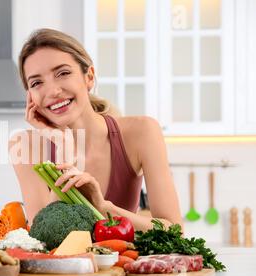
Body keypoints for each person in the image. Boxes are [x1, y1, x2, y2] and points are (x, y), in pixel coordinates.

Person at [9, 28, 183, 232]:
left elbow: (174, 231)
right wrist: (66, 153)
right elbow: (44, 237)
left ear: (89, 77)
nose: (53, 91)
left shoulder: (142, 132)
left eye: (63, 73)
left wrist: (103, 208)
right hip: (62, 265)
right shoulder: (26, 146)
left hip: (123, 263)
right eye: (37, 82)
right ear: (31, 96)